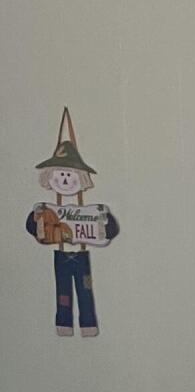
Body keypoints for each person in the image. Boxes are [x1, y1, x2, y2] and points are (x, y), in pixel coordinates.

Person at [26, 109, 120, 338]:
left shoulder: (90, 210)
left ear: (81, 178)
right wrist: (35, 218)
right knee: (63, 292)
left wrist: (106, 224)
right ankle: (64, 323)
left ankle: (88, 323)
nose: (66, 180)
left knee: (84, 291)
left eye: (70, 175)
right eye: (61, 175)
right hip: (61, 254)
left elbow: (110, 231)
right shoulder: (46, 211)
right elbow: (33, 228)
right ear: (50, 176)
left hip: (80, 254)